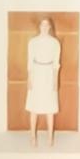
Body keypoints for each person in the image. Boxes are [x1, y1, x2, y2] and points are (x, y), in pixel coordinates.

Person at [25, 15, 63, 149]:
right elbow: (29, 62)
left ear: (50, 27)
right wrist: (29, 78)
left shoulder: (55, 43)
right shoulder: (32, 42)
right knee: (34, 107)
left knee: (50, 108)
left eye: (47, 25)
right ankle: (33, 137)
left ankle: (50, 137)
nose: (45, 27)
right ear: (39, 27)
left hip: (48, 76)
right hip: (36, 75)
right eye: (42, 25)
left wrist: (55, 81)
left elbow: (56, 64)